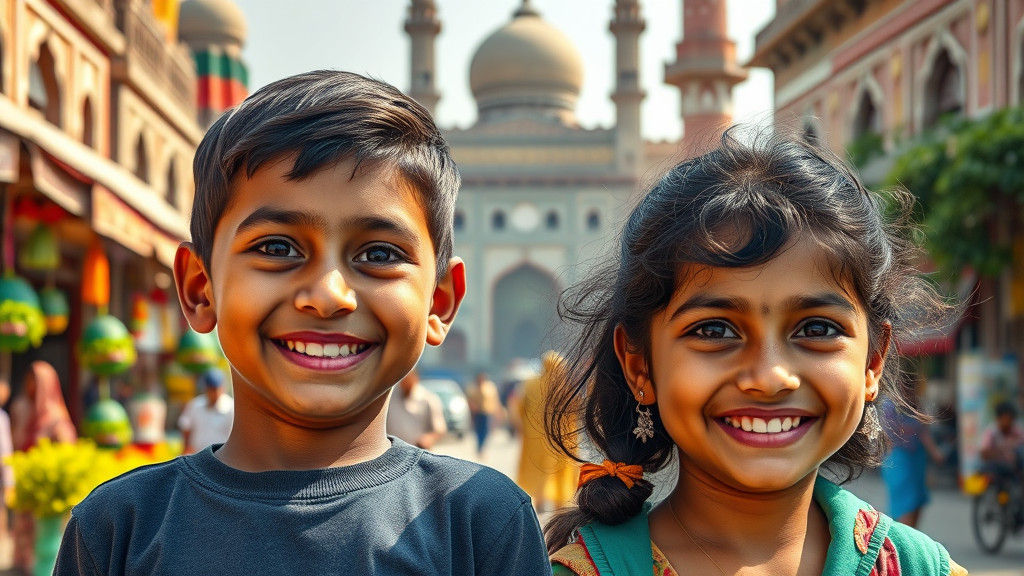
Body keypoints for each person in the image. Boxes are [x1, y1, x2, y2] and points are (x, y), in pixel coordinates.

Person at [54, 70, 549, 575]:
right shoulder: (121, 529)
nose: (328, 296)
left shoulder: (479, 523)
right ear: (200, 289)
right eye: (276, 248)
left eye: (379, 253)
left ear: (439, 303)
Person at [545, 132, 967, 575]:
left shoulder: (924, 568)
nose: (769, 377)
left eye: (817, 329)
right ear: (640, 365)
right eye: (714, 330)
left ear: (873, 361)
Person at [11, 361, 76, 575]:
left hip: (48, 497)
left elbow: (67, 455)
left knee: (45, 547)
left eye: (35, 381)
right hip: (25, 489)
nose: (31, 385)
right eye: (28, 379)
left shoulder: (56, 419)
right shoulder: (21, 409)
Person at [516, 351, 579, 512]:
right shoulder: (565, 386)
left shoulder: (530, 384)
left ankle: (538, 501)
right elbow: (575, 411)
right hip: (561, 438)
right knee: (559, 470)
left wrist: (523, 426)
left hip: (535, 437)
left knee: (537, 469)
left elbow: (521, 407)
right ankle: (560, 503)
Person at [879, 377, 945, 528]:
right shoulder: (889, 405)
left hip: (917, 459)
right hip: (898, 458)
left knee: (917, 500)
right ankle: (903, 541)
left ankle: (911, 538)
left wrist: (935, 453)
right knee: (904, 503)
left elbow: (924, 432)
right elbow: (888, 434)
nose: (908, 390)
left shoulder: (917, 404)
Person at [385, 368, 447, 449]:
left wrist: (428, 438)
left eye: (408, 378)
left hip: (418, 452)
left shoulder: (429, 399)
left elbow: (439, 429)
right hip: (393, 451)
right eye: (403, 378)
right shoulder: (389, 397)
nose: (405, 382)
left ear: (415, 378)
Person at [176, 368, 234, 454]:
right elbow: (186, 426)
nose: (213, 393)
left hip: (221, 458)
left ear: (222, 388)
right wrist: (186, 449)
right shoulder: (196, 405)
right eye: (210, 389)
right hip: (198, 456)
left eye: (215, 389)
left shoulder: (231, 408)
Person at [979, 401, 1024, 479]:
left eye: (1011, 419)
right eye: (1006, 418)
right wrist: (1002, 452)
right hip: (998, 467)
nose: (1009, 422)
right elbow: (983, 454)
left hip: (1014, 468)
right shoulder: (991, 432)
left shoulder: (1017, 430)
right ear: (999, 418)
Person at [466, 371, 500, 456]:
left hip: (487, 412)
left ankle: (482, 447)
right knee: (478, 431)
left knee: (486, 431)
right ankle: (479, 447)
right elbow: (469, 400)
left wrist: (498, 413)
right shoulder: (473, 387)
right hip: (477, 413)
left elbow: (495, 400)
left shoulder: (490, 387)